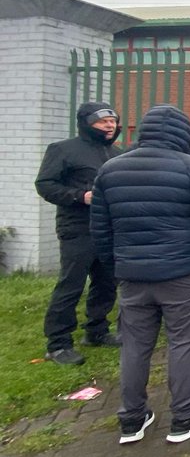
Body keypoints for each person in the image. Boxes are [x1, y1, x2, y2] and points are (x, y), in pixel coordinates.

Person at [90, 105, 190, 445]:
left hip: (133, 277)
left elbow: (101, 230)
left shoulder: (110, 170)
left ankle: (132, 419)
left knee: (134, 346)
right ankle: (185, 418)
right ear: (185, 134)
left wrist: (117, 268)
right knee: (186, 342)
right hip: (184, 275)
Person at [34, 101, 123, 365]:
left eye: (113, 121)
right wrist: (78, 196)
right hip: (77, 228)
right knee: (71, 285)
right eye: (103, 121)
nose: (110, 126)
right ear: (86, 122)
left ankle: (96, 331)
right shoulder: (63, 150)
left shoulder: (116, 153)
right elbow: (45, 184)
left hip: (107, 228)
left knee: (106, 282)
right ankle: (58, 343)